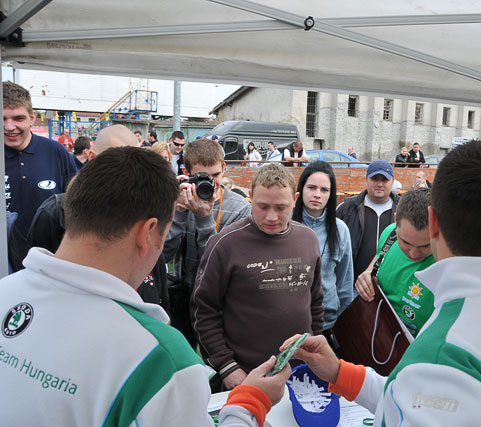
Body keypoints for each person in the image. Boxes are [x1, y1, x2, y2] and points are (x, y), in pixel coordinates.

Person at [230, 139, 481, 426]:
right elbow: (410, 396)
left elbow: (425, 392)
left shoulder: (446, 351)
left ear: (433, 223)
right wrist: (340, 372)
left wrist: (247, 405)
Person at [0, 146, 217, 425]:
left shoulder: (6, 291)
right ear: (148, 232)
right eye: (165, 234)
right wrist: (246, 407)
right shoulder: (162, 358)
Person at [191, 163, 324, 391]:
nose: (271, 216)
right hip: (245, 376)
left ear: (295, 200)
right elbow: (202, 311)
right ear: (251, 197)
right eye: (263, 206)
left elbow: (316, 303)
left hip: (300, 374)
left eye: (281, 208)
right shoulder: (224, 244)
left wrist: (315, 352)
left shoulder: (308, 239)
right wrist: (227, 367)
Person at [27, 124, 170, 311]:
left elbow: (158, 284)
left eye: (137, 159)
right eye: (117, 160)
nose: (132, 170)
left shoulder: (148, 208)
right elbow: (39, 281)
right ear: (92, 157)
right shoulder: (55, 212)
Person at [164, 139, 251, 347]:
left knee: (216, 359)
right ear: (186, 172)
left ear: (224, 168)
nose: (211, 183)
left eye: (216, 175)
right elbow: (163, 254)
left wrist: (204, 219)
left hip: (217, 301)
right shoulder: (174, 199)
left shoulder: (239, 208)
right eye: (202, 177)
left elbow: (220, 266)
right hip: (178, 297)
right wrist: (179, 212)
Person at [3, 81, 77, 250]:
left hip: (48, 255)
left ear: (32, 117)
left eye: (18, 118)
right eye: (3, 119)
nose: (9, 127)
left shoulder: (56, 152)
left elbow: (75, 205)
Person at [355, 187, 436, 337]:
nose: (413, 253)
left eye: (425, 246)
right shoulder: (389, 233)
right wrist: (368, 273)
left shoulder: (448, 260)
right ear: (396, 220)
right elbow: (381, 257)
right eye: (405, 242)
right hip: (376, 336)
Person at [292, 161, 354, 337]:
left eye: (324, 190)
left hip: (327, 324)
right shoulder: (285, 224)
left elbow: (344, 283)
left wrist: (343, 323)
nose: (317, 194)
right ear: (301, 189)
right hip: (290, 324)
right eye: (311, 187)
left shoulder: (340, 230)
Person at [337, 159, 400, 279]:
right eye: (375, 179)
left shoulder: (404, 209)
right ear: (366, 179)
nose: (379, 184)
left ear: (392, 181)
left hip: (391, 283)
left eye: (384, 180)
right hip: (353, 283)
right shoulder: (346, 208)